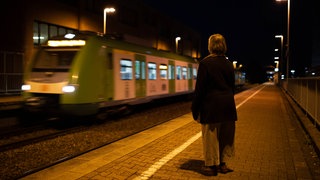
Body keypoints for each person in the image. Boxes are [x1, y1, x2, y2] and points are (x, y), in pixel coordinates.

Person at [191, 33, 237, 176]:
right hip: (228, 106)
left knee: (211, 137)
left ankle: (211, 166)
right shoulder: (229, 64)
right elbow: (232, 87)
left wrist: (195, 108)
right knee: (225, 136)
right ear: (224, 46)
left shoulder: (205, 63)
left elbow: (200, 89)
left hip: (211, 107)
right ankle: (222, 165)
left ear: (210, 46)